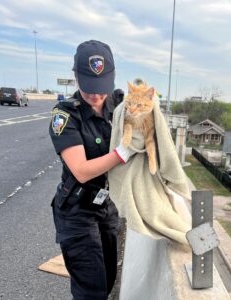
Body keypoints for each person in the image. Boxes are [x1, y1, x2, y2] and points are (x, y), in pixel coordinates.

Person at [49, 40, 134, 300]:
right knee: (91, 291)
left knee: (108, 280)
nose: (96, 96)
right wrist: (122, 154)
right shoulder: (64, 115)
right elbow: (82, 170)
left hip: (106, 206)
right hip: (76, 210)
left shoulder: (119, 105)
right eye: (89, 90)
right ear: (76, 77)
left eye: (101, 89)